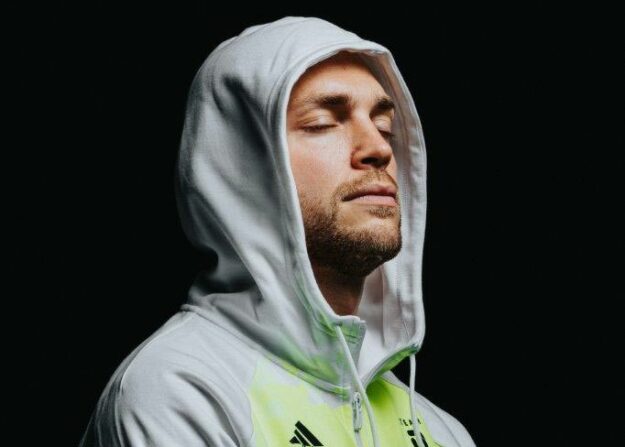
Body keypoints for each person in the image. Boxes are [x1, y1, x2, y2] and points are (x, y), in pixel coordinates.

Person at [78, 16, 476, 447]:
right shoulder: (182, 391)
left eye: (385, 127)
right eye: (323, 122)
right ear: (242, 165)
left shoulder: (444, 431)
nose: (379, 148)